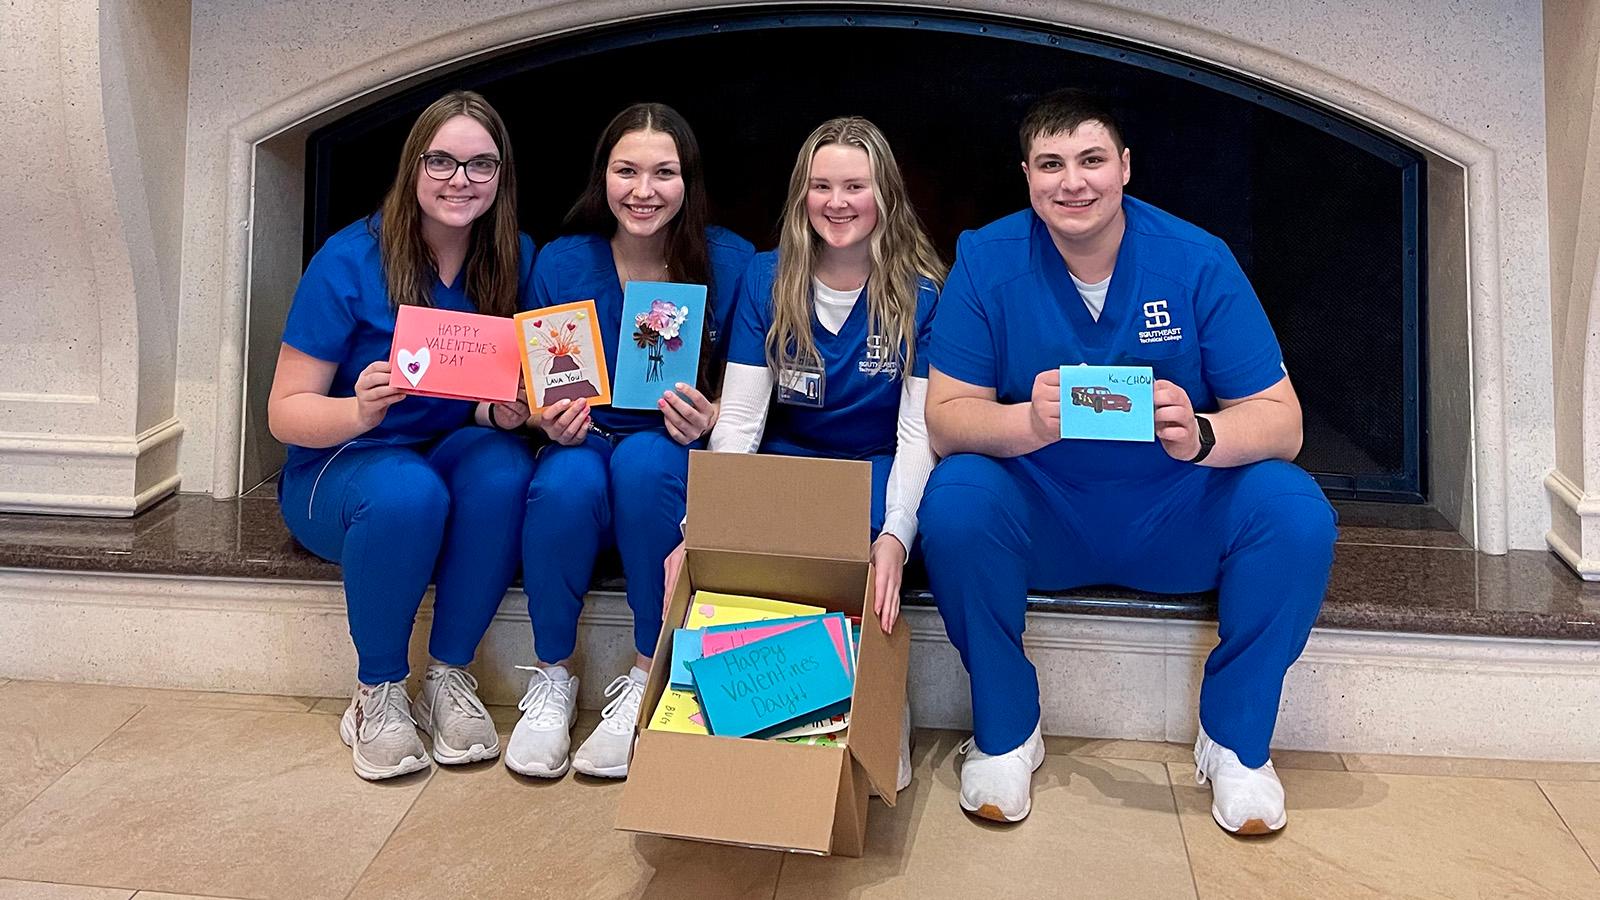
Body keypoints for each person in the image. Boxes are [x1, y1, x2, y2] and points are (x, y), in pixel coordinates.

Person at [919, 89, 1336, 831]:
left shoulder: (1198, 260)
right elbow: (946, 420)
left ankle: (1236, 744)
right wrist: (1026, 422)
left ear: (1125, 167)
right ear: (1026, 175)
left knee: (1295, 509)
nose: (1072, 182)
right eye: (1050, 164)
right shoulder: (986, 259)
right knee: (954, 498)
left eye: (1090, 160)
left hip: (1174, 511)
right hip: (1044, 513)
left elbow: (1285, 422)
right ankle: (1008, 732)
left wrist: (1202, 434)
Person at [664, 116, 943, 792]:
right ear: (801, 194)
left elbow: (916, 436)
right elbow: (737, 421)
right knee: (762, 527)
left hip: (875, 462)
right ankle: (768, 712)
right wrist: (705, 530)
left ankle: (876, 700)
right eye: (821, 186)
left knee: (864, 540)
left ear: (887, 195)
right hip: (792, 460)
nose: (837, 202)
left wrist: (896, 538)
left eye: (855, 185)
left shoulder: (923, 290)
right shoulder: (769, 277)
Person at [269, 90, 538, 780]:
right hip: (339, 466)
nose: (460, 180)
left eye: (481, 165)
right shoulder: (349, 259)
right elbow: (284, 412)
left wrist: (498, 412)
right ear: (413, 166)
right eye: (442, 160)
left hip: (439, 458)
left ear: (502, 176)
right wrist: (358, 412)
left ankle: (448, 676)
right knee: (409, 492)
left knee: (505, 466)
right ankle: (378, 692)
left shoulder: (510, 258)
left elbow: (466, 402)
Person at [506, 103, 754, 780]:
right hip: (583, 442)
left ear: (689, 180)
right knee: (563, 481)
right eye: (627, 171)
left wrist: (714, 416)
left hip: (670, 452)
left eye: (663, 172)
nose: (643, 190)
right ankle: (553, 677)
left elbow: (761, 382)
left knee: (646, 465)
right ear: (603, 178)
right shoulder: (562, 260)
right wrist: (543, 418)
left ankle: (646, 674)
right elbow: (534, 383)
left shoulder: (732, 262)